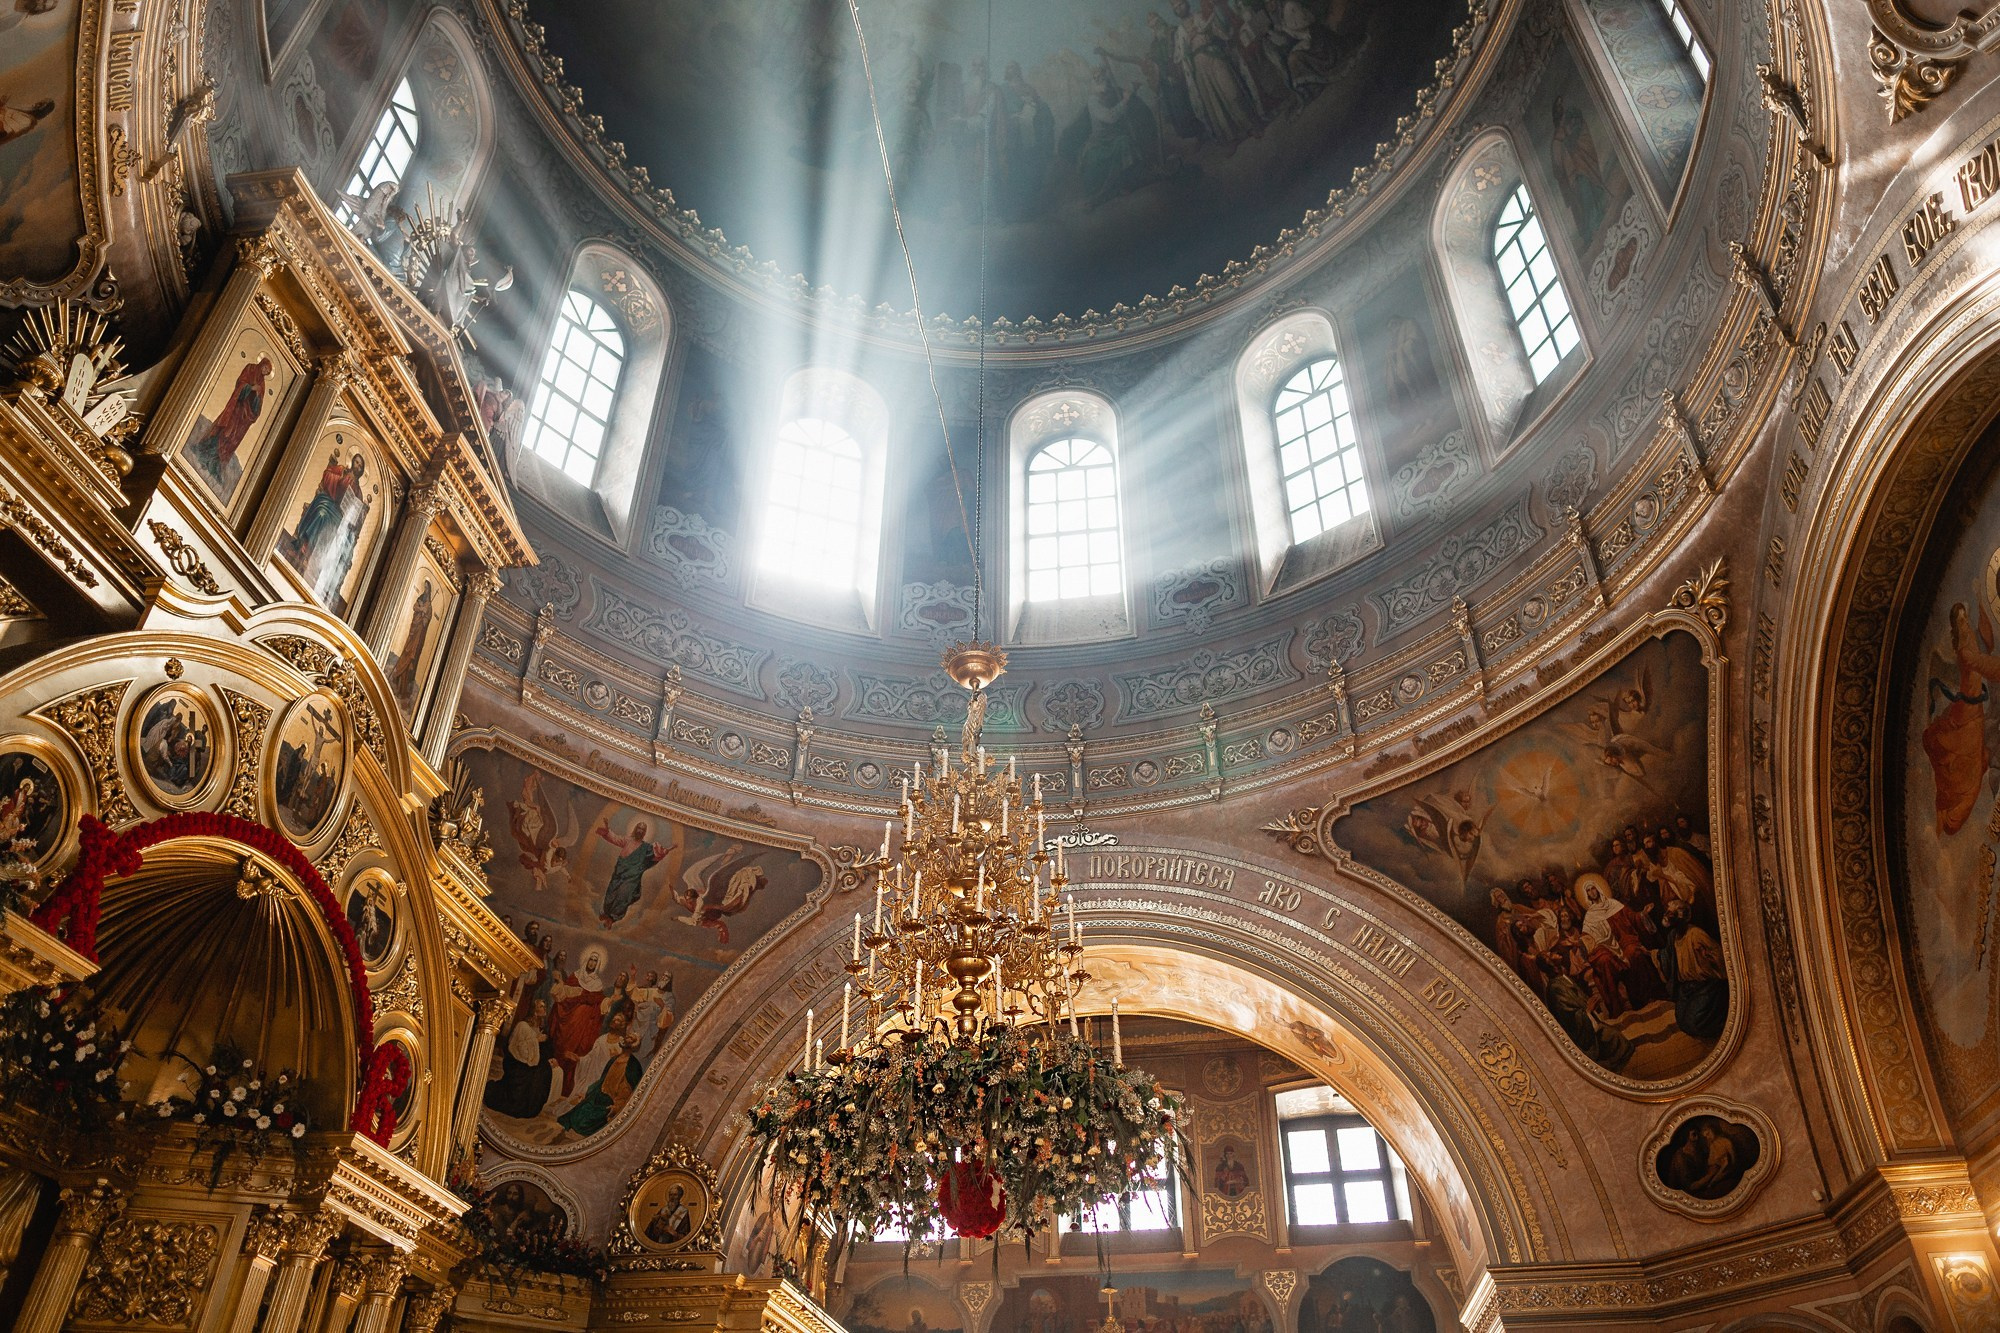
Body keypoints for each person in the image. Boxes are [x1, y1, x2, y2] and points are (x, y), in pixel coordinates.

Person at [558, 1032, 643, 1136]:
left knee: (586, 1122)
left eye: (630, 1038)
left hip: (611, 1102)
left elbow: (629, 1092)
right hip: (599, 1096)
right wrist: (588, 1093)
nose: (627, 1038)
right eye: (627, 1036)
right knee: (576, 1114)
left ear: (634, 1044)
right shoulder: (614, 1059)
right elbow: (602, 1081)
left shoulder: (633, 1066)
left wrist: (616, 1107)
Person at [484, 999, 555, 1118]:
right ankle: (524, 1106)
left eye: (544, 1006)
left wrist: (548, 1057)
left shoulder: (538, 1027)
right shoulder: (523, 1025)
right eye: (541, 1006)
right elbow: (518, 1047)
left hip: (528, 1061)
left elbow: (540, 1050)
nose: (544, 1009)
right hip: (517, 1062)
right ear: (534, 1011)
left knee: (545, 1069)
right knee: (538, 1074)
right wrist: (536, 1040)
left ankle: (532, 1106)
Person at [597, 818, 672, 926]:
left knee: (623, 895)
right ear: (635, 829)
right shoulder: (627, 840)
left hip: (632, 877)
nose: (640, 831)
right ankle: (606, 913)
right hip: (619, 872)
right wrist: (607, 830)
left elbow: (655, 855)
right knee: (611, 893)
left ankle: (612, 918)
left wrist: (663, 852)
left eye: (642, 829)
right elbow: (615, 839)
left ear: (644, 833)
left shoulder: (646, 848)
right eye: (639, 828)